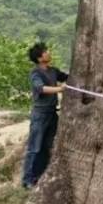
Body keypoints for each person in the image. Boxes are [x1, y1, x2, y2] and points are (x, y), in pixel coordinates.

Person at [22, 42, 68, 189]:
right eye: (46, 51)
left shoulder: (53, 71)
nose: (49, 53)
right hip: (40, 114)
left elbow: (68, 77)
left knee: (47, 146)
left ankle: (40, 176)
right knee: (35, 147)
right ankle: (27, 180)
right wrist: (59, 89)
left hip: (52, 114)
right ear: (40, 58)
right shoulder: (35, 73)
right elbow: (41, 88)